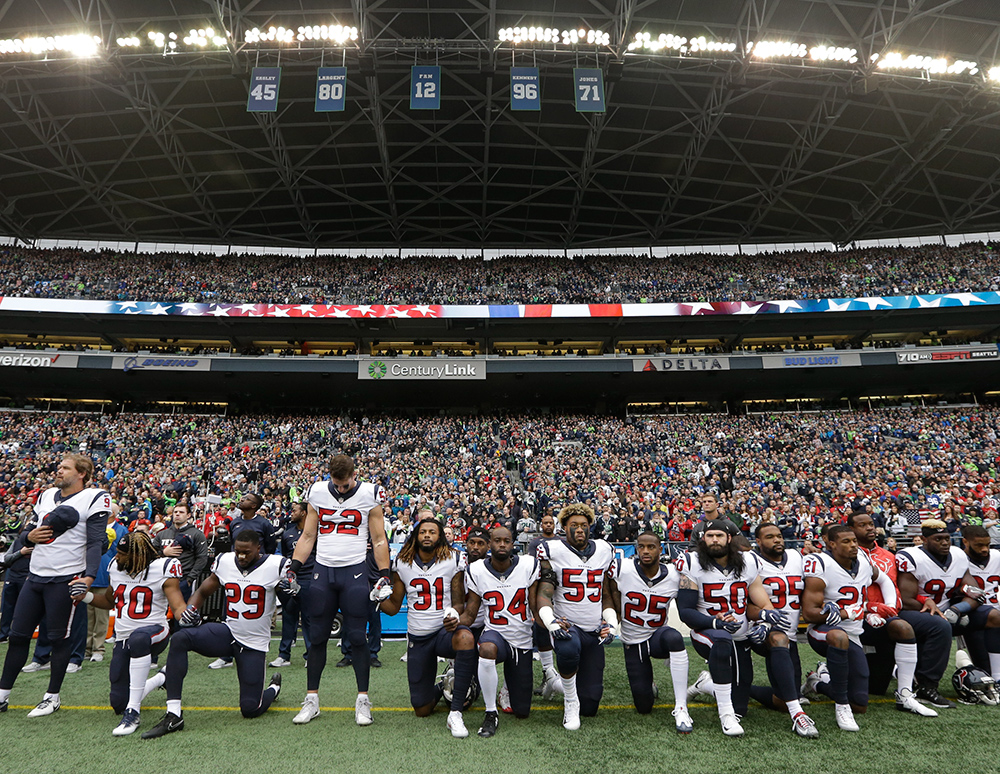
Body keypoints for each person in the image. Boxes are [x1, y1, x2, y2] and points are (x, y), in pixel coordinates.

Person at [141, 529, 286, 738]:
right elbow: (202, 591)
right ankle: (173, 714)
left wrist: (291, 590)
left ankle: (273, 688)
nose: (241, 557)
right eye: (238, 552)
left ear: (258, 548)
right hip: (228, 632)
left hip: (254, 643)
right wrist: (190, 610)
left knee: (250, 709)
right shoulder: (225, 561)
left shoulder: (276, 565)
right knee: (181, 637)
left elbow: (291, 599)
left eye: (246, 552)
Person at [0, 454, 111, 717]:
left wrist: (88, 577)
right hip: (36, 575)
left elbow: (95, 542)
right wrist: (29, 535)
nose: (58, 471)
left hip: (65, 578)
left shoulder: (94, 497)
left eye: (64, 468)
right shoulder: (46, 494)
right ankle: (3, 694)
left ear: (82, 473)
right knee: (17, 636)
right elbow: (29, 530)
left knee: (58, 638)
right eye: (58, 467)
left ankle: (52, 697)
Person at [288, 454, 391, 726]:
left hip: (354, 570)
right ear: (330, 476)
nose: (342, 489)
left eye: (346, 484)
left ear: (354, 475)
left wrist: (384, 574)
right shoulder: (318, 491)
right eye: (338, 483)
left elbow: (379, 538)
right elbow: (308, 535)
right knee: (318, 636)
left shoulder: (370, 493)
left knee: (358, 636)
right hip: (323, 570)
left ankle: (363, 701)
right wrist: (294, 567)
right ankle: (311, 699)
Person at [75, 531, 186, 735]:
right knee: (117, 701)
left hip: (155, 632)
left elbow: (177, 605)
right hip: (124, 638)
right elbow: (109, 601)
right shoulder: (116, 569)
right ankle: (161, 678)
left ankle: (133, 712)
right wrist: (85, 596)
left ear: (138, 556)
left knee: (139, 638)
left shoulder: (162, 568)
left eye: (122, 553)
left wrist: (185, 615)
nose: (117, 557)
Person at [676, 520, 775, 737]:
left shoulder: (748, 562)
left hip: (739, 636)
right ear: (703, 539)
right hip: (707, 632)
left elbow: (763, 602)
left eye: (719, 535)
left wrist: (766, 622)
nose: (714, 540)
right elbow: (685, 611)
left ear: (729, 538)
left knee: (742, 705)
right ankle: (725, 714)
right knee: (721, 639)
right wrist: (714, 622)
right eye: (709, 536)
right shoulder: (691, 562)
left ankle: (706, 685)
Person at [380, 518, 476, 738]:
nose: (427, 535)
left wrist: (453, 615)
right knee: (421, 709)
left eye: (432, 532)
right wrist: (376, 598)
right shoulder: (402, 563)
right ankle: (445, 685)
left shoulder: (453, 559)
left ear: (439, 536)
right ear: (416, 536)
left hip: (444, 632)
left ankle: (456, 712)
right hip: (419, 637)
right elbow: (394, 607)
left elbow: (459, 601)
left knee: (465, 638)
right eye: (422, 532)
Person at [801, 525, 896, 731]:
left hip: (854, 634)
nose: (853, 545)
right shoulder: (819, 563)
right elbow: (809, 613)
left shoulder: (862, 559)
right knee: (839, 637)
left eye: (854, 540)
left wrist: (884, 608)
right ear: (831, 544)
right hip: (823, 631)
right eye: (846, 541)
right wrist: (845, 613)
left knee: (860, 704)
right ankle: (841, 706)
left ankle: (817, 682)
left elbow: (882, 579)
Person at [849, 510, 943, 715]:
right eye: (863, 525)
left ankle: (922, 686)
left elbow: (899, 586)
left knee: (937, 624)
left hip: (891, 614)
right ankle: (825, 675)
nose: (870, 528)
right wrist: (869, 610)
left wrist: (923, 599)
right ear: (850, 530)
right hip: (857, 616)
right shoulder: (843, 556)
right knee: (873, 688)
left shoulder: (889, 556)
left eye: (871, 524)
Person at [536, 503, 616, 731]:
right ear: (564, 527)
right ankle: (570, 701)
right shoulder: (552, 550)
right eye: (574, 526)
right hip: (567, 625)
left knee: (590, 704)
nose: (579, 529)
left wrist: (611, 623)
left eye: (584, 525)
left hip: (592, 630)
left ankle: (556, 684)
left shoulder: (604, 549)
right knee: (568, 647)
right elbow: (544, 591)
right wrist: (550, 620)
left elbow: (607, 594)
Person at [736, 523, 821, 735]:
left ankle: (715, 686)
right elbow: (742, 604)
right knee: (779, 639)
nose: (777, 540)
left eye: (780, 536)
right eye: (770, 537)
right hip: (762, 632)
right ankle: (799, 716)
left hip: (790, 632)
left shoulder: (795, 556)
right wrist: (764, 616)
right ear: (758, 541)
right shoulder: (751, 561)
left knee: (782, 700)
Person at [897, 519, 1000, 690]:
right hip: (918, 611)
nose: (944, 543)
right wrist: (941, 614)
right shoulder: (912, 557)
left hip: (949, 611)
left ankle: (996, 677)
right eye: (938, 539)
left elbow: (976, 592)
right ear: (924, 539)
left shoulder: (958, 555)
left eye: (946, 538)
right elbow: (905, 600)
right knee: (940, 624)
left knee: (993, 616)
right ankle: (927, 685)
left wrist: (958, 609)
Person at [606, 530, 693, 733]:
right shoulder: (622, 568)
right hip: (632, 640)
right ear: (636, 549)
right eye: (641, 547)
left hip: (657, 636)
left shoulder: (674, 574)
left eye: (651, 547)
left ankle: (681, 706)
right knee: (644, 706)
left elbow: (688, 606)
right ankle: (649, 685)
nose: (645, 551)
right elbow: (606, 592)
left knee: (674, 637)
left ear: (660, 550)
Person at [460, 526, 539, 738]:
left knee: (522, 711)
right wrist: (453, 623)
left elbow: (535, 605)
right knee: (486, 647)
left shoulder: (528, 565)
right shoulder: (476, 570)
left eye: (506, 541)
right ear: (490, 544)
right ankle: (490, 712)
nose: (502, 544)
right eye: (497, 540)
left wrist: (553, 622)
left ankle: (505, 689)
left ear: (513, 544)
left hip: (521, 640)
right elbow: (471, 612)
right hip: (495, 634)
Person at [272, 502, 313, 668]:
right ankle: (284, 655)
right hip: (292, 579)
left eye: (295, 510)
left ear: (303, 513)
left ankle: (311, 655)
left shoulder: (313, 533)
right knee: (289, 616)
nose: (291, 513)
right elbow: (285, 557)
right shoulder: (288, 533)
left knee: (309, 619)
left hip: (309, 579)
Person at [526, 513, 562, 698]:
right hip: (543, 584)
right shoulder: (535, 542)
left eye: (551, 523)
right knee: (542, 625)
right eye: (545, 522)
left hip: (561, 587)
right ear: (541, 525)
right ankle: (547, 673)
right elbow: (533, 563)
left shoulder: (562, 541)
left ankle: (562, 675)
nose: (548, 525)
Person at [87, 508, 127, 663]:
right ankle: (86, 647)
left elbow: (123, 553)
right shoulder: (92, 527)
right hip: (89, 575)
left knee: (101, 616)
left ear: (112, 514)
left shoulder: (121, 529)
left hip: (106, 576)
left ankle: (98, 648)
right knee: (87, 616)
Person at [961, 524, 1000, 679]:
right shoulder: (957, 559)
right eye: (979, 545)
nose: (985, 549)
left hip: (996, 612)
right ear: (965, 542)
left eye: (987, 545)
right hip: (974, 616)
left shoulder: (997, 556)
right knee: (985, 670)